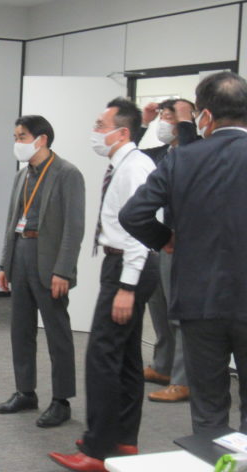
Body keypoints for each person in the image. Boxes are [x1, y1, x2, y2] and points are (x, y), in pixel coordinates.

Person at [120, 71, 247, 435]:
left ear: (204, 115)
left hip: (198, 299)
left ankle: (211, 454)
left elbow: (133, 214)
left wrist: (164, 239)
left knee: (208, 408)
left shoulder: (182, 158)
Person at [50, 98, 159, 472]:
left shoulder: (135, 167)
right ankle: (123, 439)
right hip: (123, 264)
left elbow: (141, 230)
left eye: (100, 125)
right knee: (125, 356)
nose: (95, 132)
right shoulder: (125, 162)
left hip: (129, 266)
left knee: (102, 356)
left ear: (122, 132)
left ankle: (96, 451)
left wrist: (126, 287)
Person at [0, 115, 85, 428]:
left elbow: (74, 228)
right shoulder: (22, 175)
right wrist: (5, 263)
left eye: (22, 136)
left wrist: (64, 270)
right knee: (20, 329)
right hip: (21, 253)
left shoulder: (67, 173)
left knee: (57, 333)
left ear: (41, 139)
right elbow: (12, 221)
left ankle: (61, 401)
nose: (17, 142)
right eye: (16, 137)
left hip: (50, 262)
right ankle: (25, 392)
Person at [138, 99, 197, 403]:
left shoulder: (196, 149)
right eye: (161, 116)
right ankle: (163, 366)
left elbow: (189, 155)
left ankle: (183, 380)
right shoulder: (161, 153)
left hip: (181, 241)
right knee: (158, 305)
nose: (164, 121)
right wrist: (144, 122)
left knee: (179, 310)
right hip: (157, 239)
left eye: (169, 116)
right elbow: (129, 155)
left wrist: (187, 122)